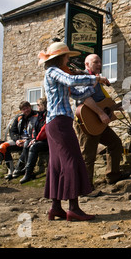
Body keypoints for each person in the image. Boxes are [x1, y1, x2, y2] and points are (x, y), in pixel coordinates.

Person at [39, 41, 104, 221]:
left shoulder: (58, 73)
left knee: (57, 164)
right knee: (72, 160)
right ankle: (73, 208)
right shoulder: (54, 72)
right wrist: (95, 78)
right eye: (67, 57)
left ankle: (56, 207)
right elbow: (71, 80)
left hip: (57, 122)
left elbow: (77, 94)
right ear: (60, 57)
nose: (69, 60)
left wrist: (93, 83)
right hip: (59, 122)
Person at [74, 54, 129, 192]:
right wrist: (100, 113)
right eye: (95, 62)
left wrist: (114, 107)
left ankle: (113, 175)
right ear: (87, 65)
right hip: (86, 121)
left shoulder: (97, 81)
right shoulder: (83, 78)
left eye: (100, 62)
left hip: (99, 122)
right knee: (88, 155)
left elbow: (102, 103)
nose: (99, 64)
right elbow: (85, 99)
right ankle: (85, 188)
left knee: (115, 143)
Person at [0, 101, 38, 180]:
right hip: (19, 139)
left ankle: (18, 169)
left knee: (27, 144)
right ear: (21, 110)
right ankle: (10, 171)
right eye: (24, 109)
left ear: (30, 107)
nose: (26, 110)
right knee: (2, 147)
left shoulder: (37, 116)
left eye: (27, 108)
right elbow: (12, 131)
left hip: (31, 140)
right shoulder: (18, 118)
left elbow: (39, 130)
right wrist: (17, 140)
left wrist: (29, 139)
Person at [20, 97, 49, 184]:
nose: (37, 107)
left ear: (43, 105)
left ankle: (28, 173)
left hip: (47, 141)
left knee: (34, 147)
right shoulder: (39, 115)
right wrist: (33, 138)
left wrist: (35, 140)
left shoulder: (47, 114)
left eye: (38, 105)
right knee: (26, 144)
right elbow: (35, 129)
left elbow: (44, 129)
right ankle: (27, 169)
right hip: (39, 139)